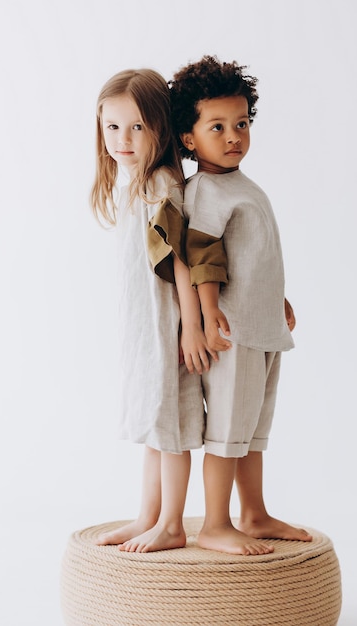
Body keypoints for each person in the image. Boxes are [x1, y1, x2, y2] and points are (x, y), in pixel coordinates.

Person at [169, 55, 312, 555]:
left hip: (261, 325)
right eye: (218, 126)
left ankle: (253, 513)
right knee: (229, 430)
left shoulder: (240, 185)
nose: (234, 136)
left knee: (252, 431)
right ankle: (214, 523)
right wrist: (208, 317)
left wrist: (279, 299)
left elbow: (251, 254)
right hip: (232, 332)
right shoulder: (206, 188)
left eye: (241, 123)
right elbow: (202, 253)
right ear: (189, 138)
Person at [90, 68, 212, 553]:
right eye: (112, 127)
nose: (122, 139)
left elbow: (180, 259)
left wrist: (191, 328)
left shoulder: (161, 183)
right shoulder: (130, 182)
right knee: (153, 425)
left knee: (172, 426)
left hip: (167, 325)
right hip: (143, 325)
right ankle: (148, 515)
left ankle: (172, 523)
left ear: (159, 127)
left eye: (137, 126)